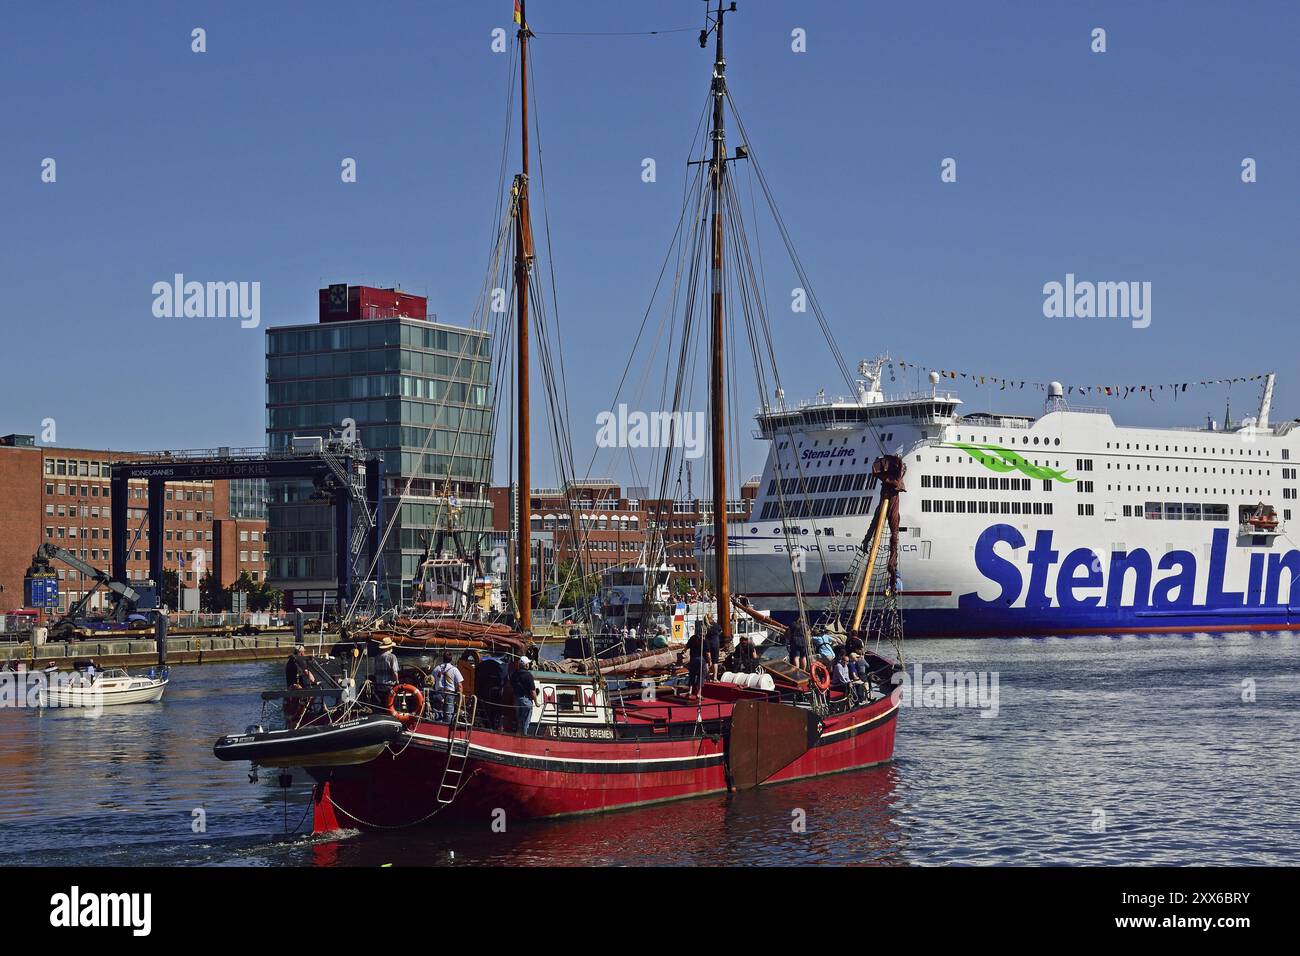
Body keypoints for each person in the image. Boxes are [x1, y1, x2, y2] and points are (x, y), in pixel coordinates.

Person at [431, 652, 464, 723]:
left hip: (438, 693)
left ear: (443, 658)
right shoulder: (454, 670)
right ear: (451, 659)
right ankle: (447, 727)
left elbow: (431, 682)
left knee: (437, 712)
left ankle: (437, 726)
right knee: (448, 714)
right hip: (450, 694)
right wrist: (459, 698)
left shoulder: (436, 669)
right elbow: (460, 686)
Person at [509, 657, 539, 735]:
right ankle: (524, 736)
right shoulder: (528, 675)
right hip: (525, 700)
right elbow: (533, 691)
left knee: (519, 719)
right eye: (528, 663)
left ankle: (518, 733)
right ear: (525, 665)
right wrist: (536, 702)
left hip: (516, 699)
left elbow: (511, 685)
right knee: (526, 719)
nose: (528, 664)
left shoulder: (514, 674)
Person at [373, 636, 399, 701]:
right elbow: (395, 671)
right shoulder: (392, 657)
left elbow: (375, 672)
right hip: (388, 686)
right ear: (390, 647)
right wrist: (397, 682)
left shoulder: (377, 657)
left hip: (379, 685)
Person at [685, 626, 705, 697]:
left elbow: (686, 647)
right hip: (701, 659)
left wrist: (683, 652)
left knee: (692, 675)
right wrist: (710, 661)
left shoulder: (692, 638)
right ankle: (698, 693)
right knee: (701, 676)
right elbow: (708, 653)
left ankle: (690, 691)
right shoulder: (703, 641)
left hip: (693, 659)